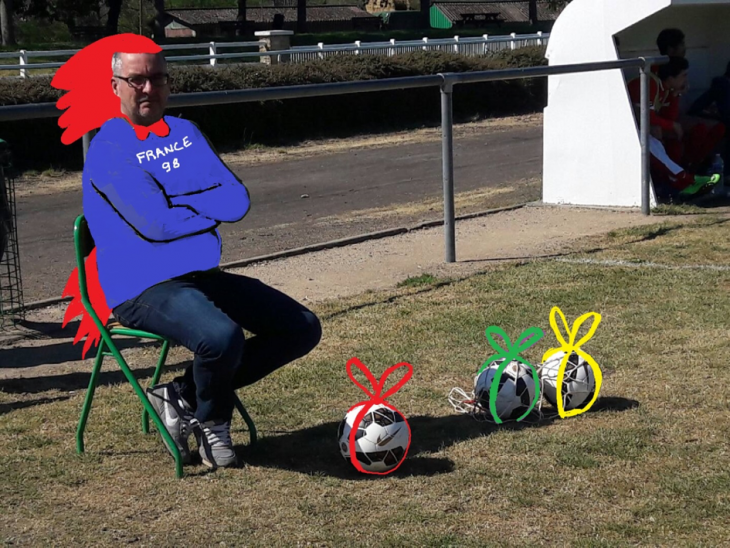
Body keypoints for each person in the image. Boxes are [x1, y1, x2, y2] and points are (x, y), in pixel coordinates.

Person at [82, 50, 322, 470]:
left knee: (301, 327)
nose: (149, 88)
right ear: (115, 86)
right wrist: (195, 197)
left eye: (158, 78)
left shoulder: (185, 134)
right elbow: (156, 224)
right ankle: (213, 423)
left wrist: (174, 199)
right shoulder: (109, 149)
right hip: (140, 286)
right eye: (137, 80)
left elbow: (235, 200)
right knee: (221, 337)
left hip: (198, 275)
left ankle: (182, 395)